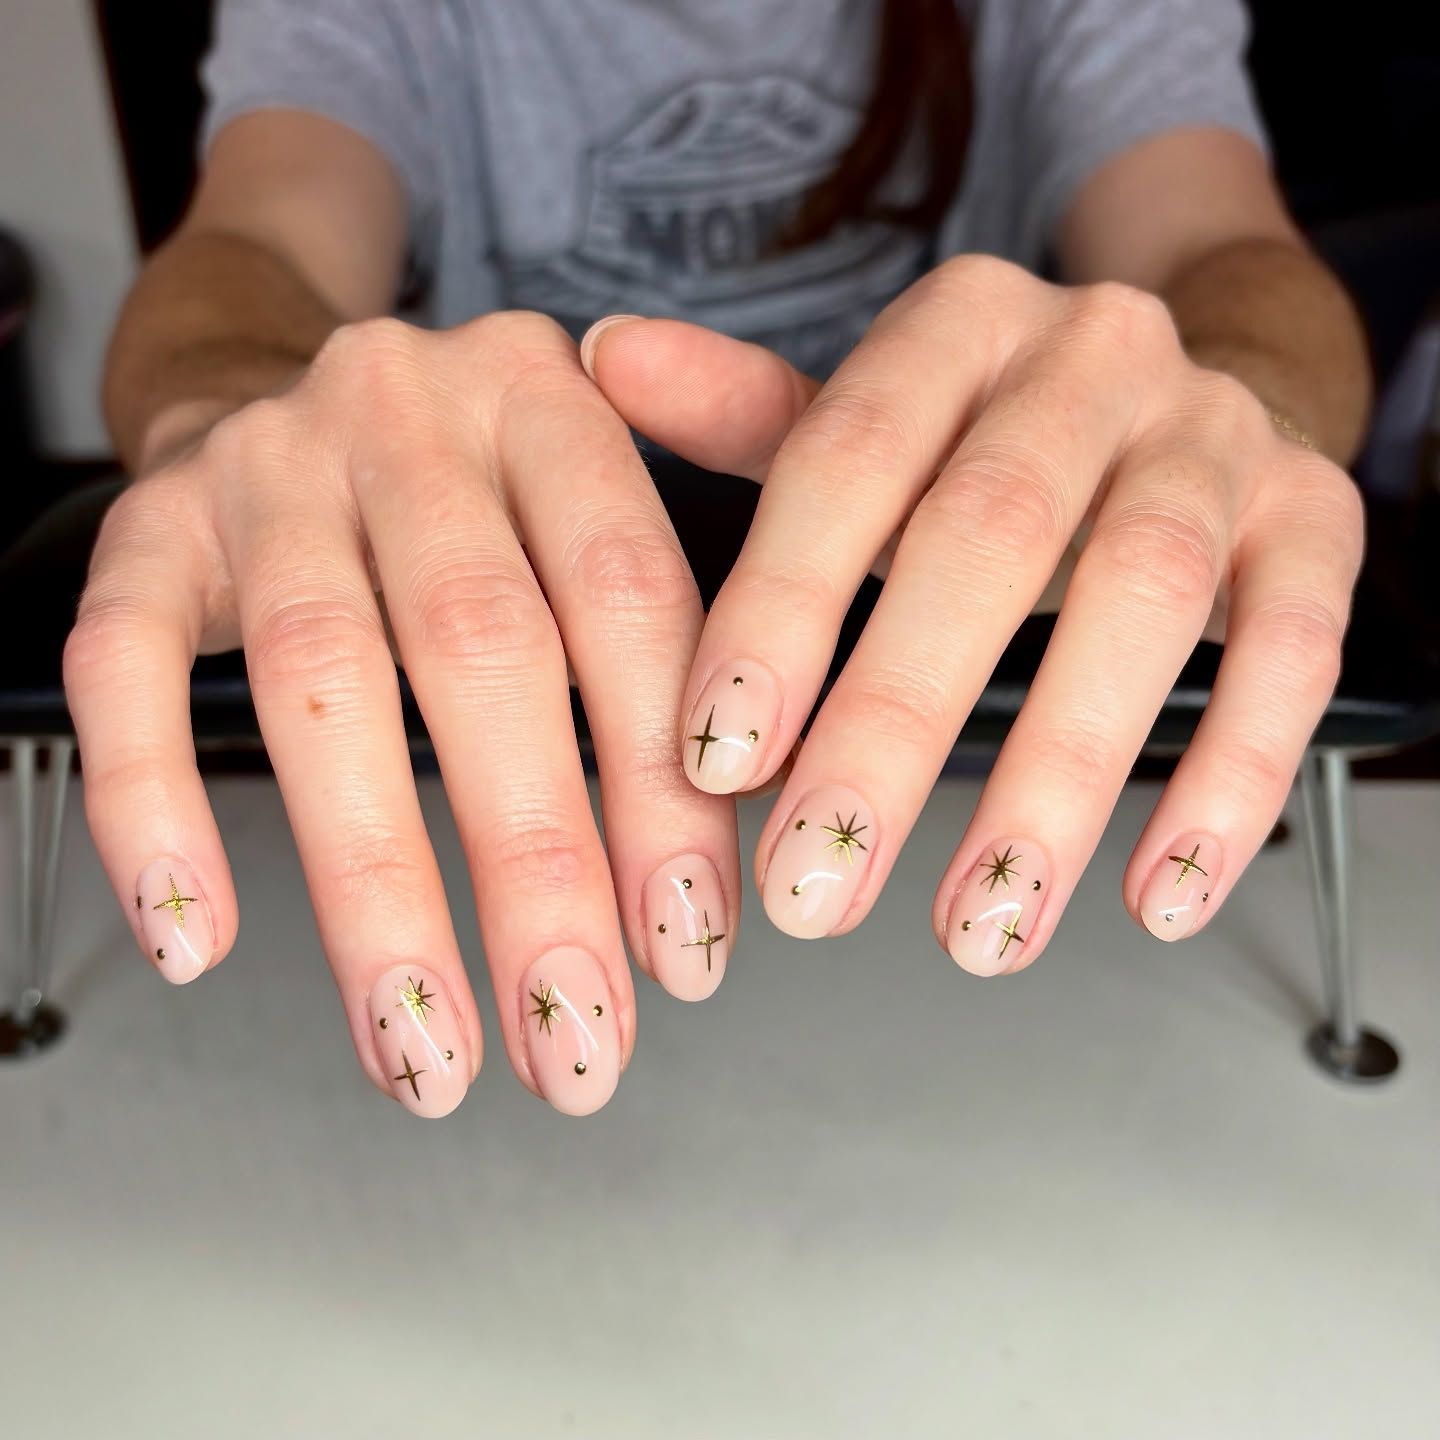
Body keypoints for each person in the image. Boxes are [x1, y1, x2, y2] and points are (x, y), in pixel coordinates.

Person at [66, 0, 1371, 1118]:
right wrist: (225, 424)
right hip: (505, 671)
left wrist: (1232, 418)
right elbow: (254, 246)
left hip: (956, 689)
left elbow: (1226, 251)